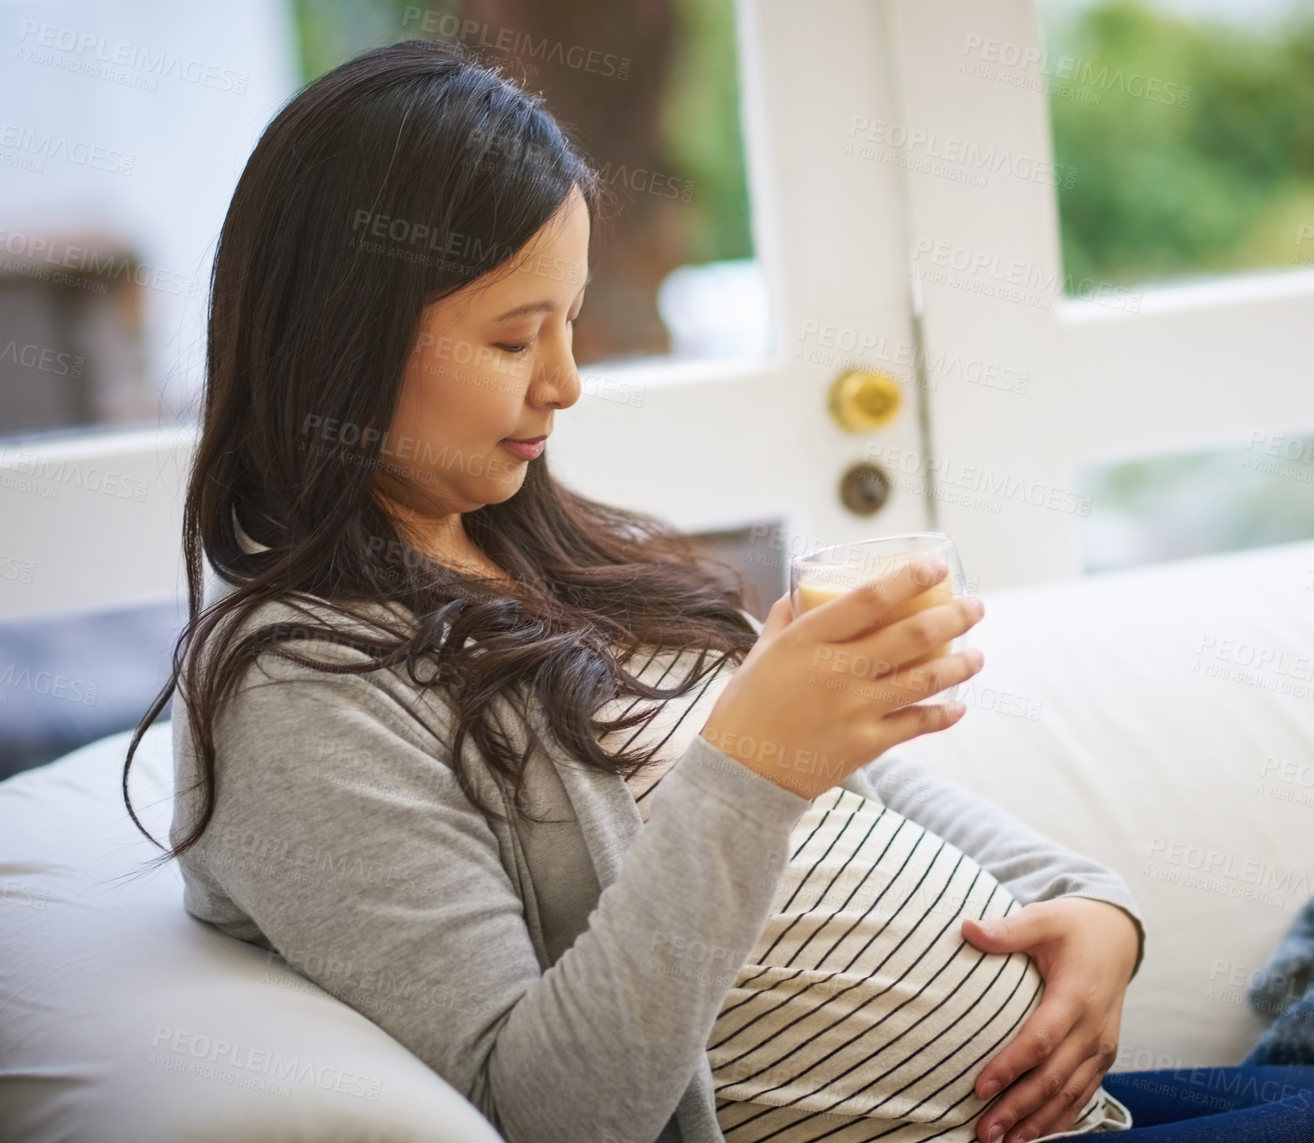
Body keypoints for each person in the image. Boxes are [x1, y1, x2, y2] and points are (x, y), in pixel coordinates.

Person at [123, 39, 1144, 1143]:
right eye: (515, 337)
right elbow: (543, 1110)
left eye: (566, 322)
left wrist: (1091, 906)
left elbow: (859, 808)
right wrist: (751, 764)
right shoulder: (300, 693)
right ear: (341, 341)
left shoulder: (551, 552)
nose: (564, 384)